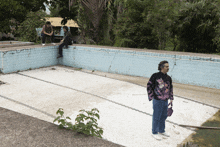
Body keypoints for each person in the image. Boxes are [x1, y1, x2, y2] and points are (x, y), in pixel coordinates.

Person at [147, 60, 174, 141]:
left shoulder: (168, 78)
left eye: (168, 66)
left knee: (163, 116)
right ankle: (154, 132)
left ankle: (161, 130)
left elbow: (171, 88)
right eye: (166, 66)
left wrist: (171, 98)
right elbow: (149, 86)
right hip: (157, 100)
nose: (168, 68)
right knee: (156, 116)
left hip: (165, 100)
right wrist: (151, 96)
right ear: (162, 67)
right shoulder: (155, 76)